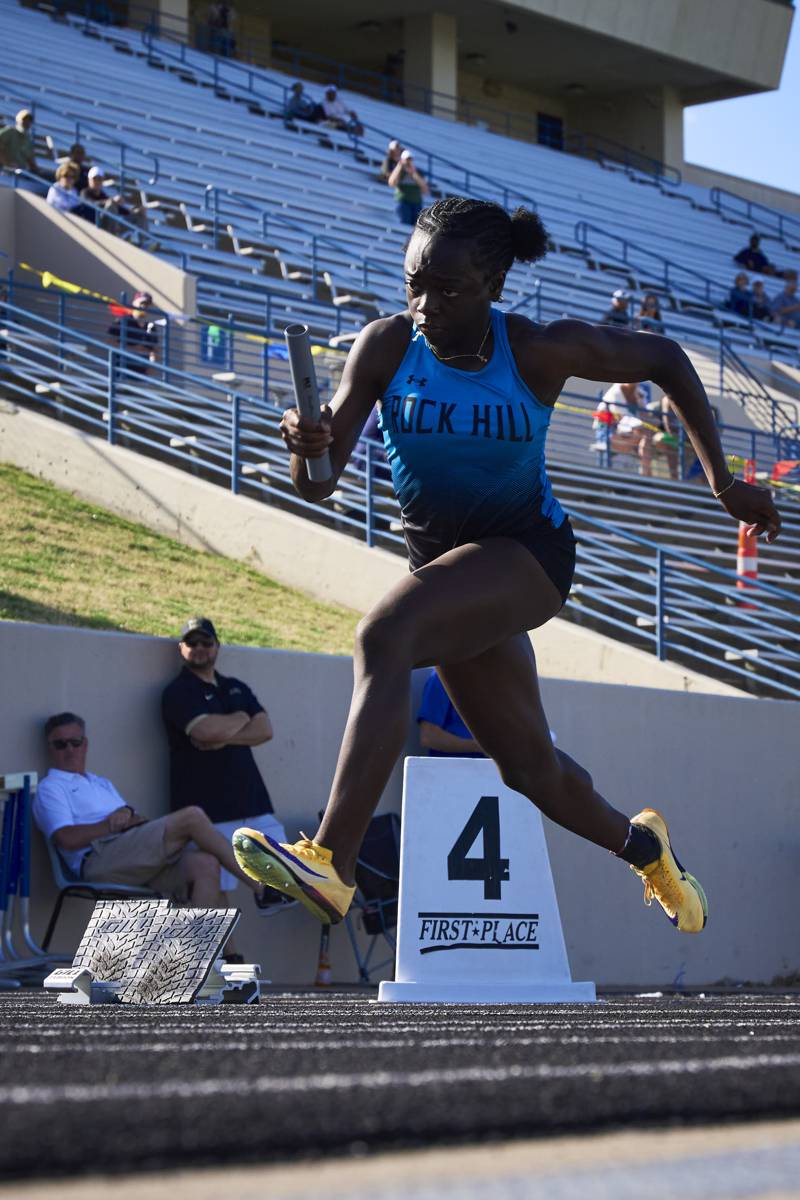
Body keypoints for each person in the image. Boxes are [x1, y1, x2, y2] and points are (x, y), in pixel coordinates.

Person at [231, 196, 780, 940]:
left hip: (529, 558)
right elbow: (319, 483)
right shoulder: (387, 346)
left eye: (448, 290)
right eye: (413, 285)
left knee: (383, 638)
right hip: (451, 578)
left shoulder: (536, 349)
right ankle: (647, 850)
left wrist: (721, 482)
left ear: (493, 286)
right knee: (528, 770)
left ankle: (332, 862)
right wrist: (308, 445)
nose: (425, 305)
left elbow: (664, 358)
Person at [33, 711, 272, 916]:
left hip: (133, 856)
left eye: (75, 742)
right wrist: (110, 826)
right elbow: (65, 838)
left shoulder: (100, 782)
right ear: (50, 748)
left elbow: (134, 819)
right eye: (60, 744)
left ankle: (203, 961)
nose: (69, 750)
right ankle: (262, 887)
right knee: (192, 816)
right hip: (98, 860)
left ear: (85, 744)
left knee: (205, 864)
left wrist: (127, 815)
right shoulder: (51, 787)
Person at [161, 617, 293, 914]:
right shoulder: (178, 691)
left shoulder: (235, 686)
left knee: (286, 873)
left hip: (252, 800)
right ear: (181, 648)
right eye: (192, 643)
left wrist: (226, 737)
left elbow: (266, 730)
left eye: (206, 642)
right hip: (207, 807)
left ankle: (264, 899)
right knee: (213, 889)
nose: (199, 648)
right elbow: (204, 732)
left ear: (217, 646)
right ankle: (227, 955)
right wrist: (242, 717)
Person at [417, 669, 486, 758]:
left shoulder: (493, 678)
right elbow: (428, 736)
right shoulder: (441, 678)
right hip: (452, 767)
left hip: (490, 767)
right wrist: (481, 747)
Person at [81, 166, 148, 233]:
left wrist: (135, 210)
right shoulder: (85, 192)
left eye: (100, 179)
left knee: (140, 215)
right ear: (89, 180)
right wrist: (112, 201)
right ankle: (113, 233)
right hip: (95, 223)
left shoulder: (103, 195)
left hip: (109, 224)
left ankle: (146, 241)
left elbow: (121, 210)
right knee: (111, 204)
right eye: (95, 179)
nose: (97, 181)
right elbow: (90, 203)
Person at [107, 291, 159, 375]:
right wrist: (133, 349)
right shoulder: (123, 321)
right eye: (142, 303)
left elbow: (153, 351)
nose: (144, 307)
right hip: (122, 370)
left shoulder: (151, 327)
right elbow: (110, 342)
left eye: (147, 304)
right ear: (134, 303)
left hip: (142, 373)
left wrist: (151, 367)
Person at [387, 149, 430, 226]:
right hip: (403, 203)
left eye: (410, 159)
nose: (409, 162)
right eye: (407, 159)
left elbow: (425, 190)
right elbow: (391, 182)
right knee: (404, 224)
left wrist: (414, 173)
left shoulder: (418, 173)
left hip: (416, 204)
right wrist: (399, 166)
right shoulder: (399, 172)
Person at [0, 109, 38, 174]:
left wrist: (36, 170)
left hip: (20, 173)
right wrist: (7, 164)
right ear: (18, 120)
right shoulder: (10, 131)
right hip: (5, 172)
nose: (27, 122)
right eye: (24, 119)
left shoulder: (28, 139)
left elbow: (30, 159)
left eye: (29, 120)